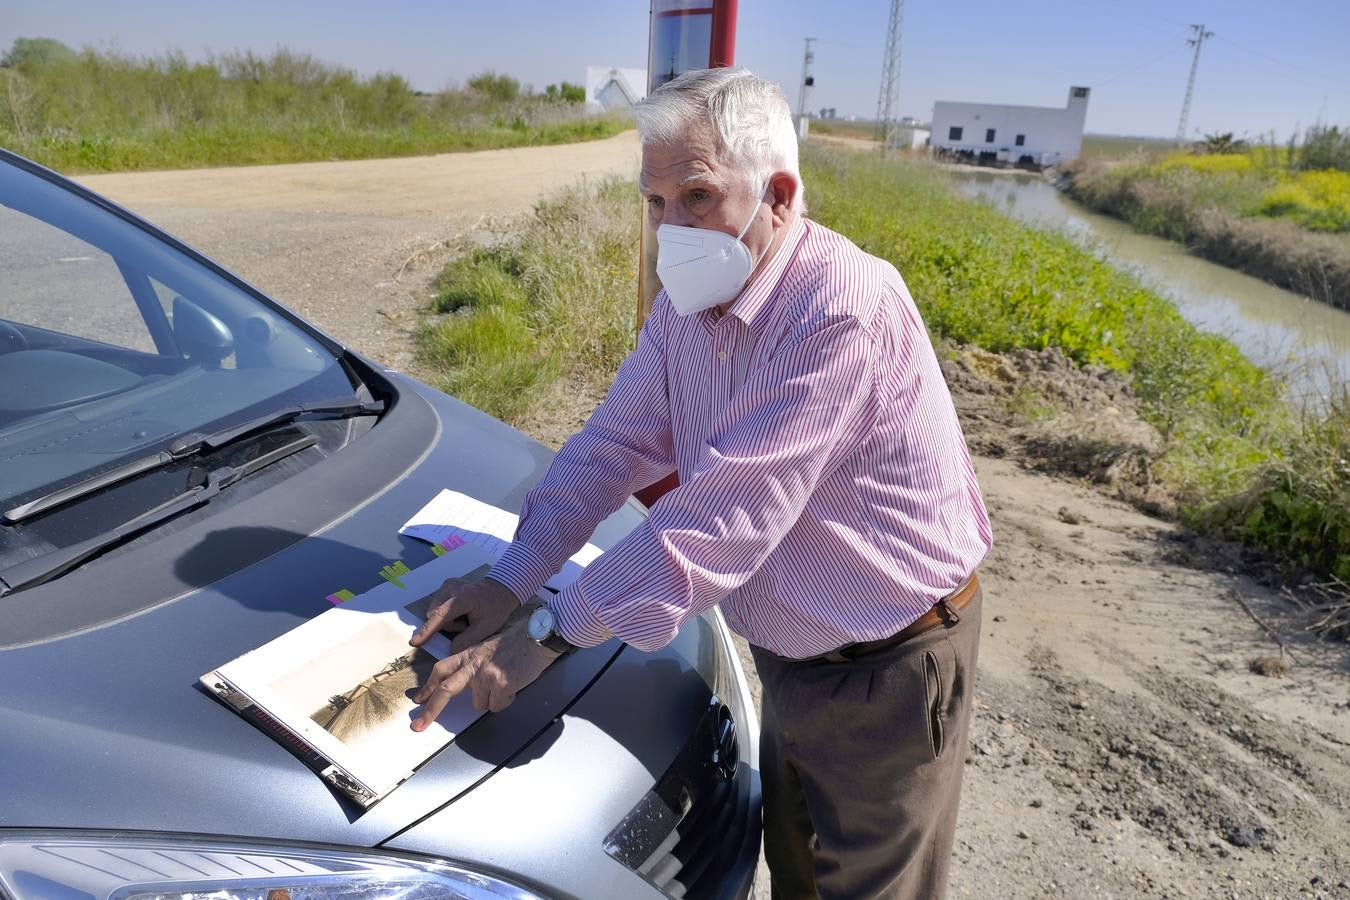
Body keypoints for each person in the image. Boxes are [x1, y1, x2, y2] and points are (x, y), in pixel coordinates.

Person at [407, 67, 992, 899]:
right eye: (654, 202)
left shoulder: (842, 310)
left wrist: (542, 632)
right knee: (793, 860)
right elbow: (610, 447)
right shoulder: (687, 305)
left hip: (888, 665)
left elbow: (722, 520)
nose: (669, 229)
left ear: (779, 194)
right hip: (793, 649)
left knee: (866, 885)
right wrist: (511, 576)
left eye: (697, 197)